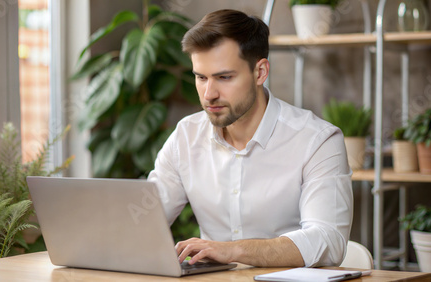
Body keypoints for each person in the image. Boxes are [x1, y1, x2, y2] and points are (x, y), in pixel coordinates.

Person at [147, 9, 353, 268]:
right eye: (201, 77)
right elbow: (144, 221)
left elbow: (328, 240)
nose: (209, 94)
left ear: (260, 72)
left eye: (224, 77)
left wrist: (233, 251)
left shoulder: (318, 140)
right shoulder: (186, 136)